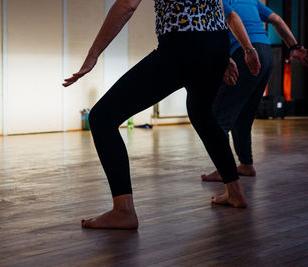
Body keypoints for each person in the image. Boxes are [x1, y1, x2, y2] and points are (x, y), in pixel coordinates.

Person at [63, 0, 254, 230]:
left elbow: (127, 5)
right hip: (216, 42)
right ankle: (235, 193)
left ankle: (123, 210)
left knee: (102, 117)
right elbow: (218, 7)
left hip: (182, 44)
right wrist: (217, 54)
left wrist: (93, 55)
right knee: (202, 114)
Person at [201, 0, 308, 182]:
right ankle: (246, 164)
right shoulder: (251, 0)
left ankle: (224, 170)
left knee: (219, 117)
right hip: (266, 53)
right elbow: (276, 19)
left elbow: (220, 24)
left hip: (245, 52)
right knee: (243, 115)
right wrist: (293, 45)